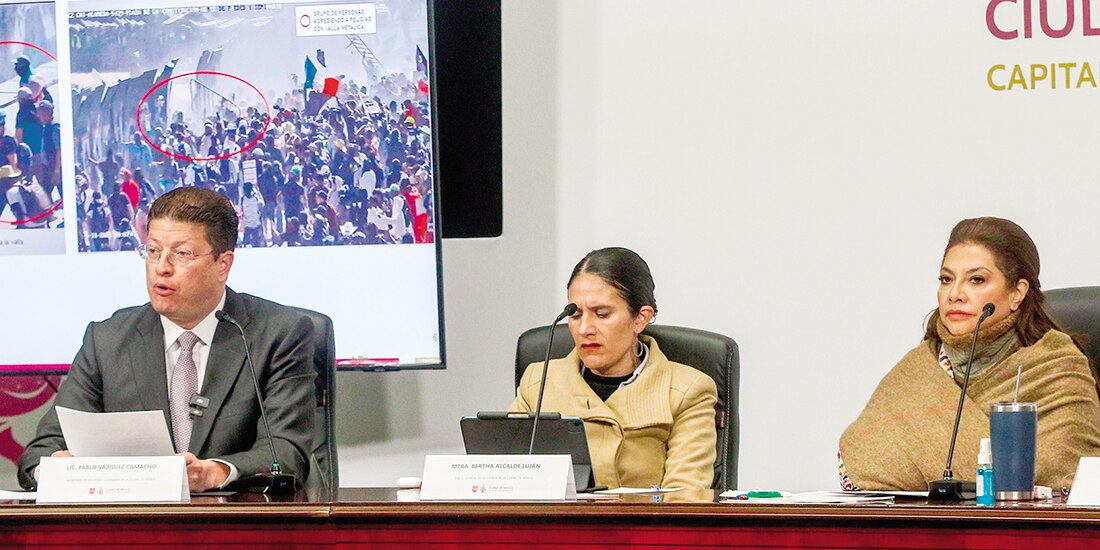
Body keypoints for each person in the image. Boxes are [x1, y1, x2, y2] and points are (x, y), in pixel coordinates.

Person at [18, 187, 317, 492]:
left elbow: (287, 453)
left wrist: (214, 472)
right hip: (132, 531)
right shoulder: (107, 340)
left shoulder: (279, 334)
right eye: (152, 251)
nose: (161, 267)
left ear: (222, 265)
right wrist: (61, 468)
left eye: (182, 254)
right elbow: (38, 455)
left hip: (233, 529)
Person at [839, 217, 1100, 491]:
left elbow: (1066, 481)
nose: (955, 294)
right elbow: (863, 462)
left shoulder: (1056, 368)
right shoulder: (918, 368)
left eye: (976, 280)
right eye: (946, 279)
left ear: (1017, 293)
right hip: (916, 528)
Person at [510, 247, 718, 490]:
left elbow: (685, 497)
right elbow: (511, 483)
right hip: (557, 527)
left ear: (640, 318)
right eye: (575, 316)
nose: (585, 328)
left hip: (644, 526)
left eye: (602, 314)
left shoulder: (687, 390)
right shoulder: (538, 382)